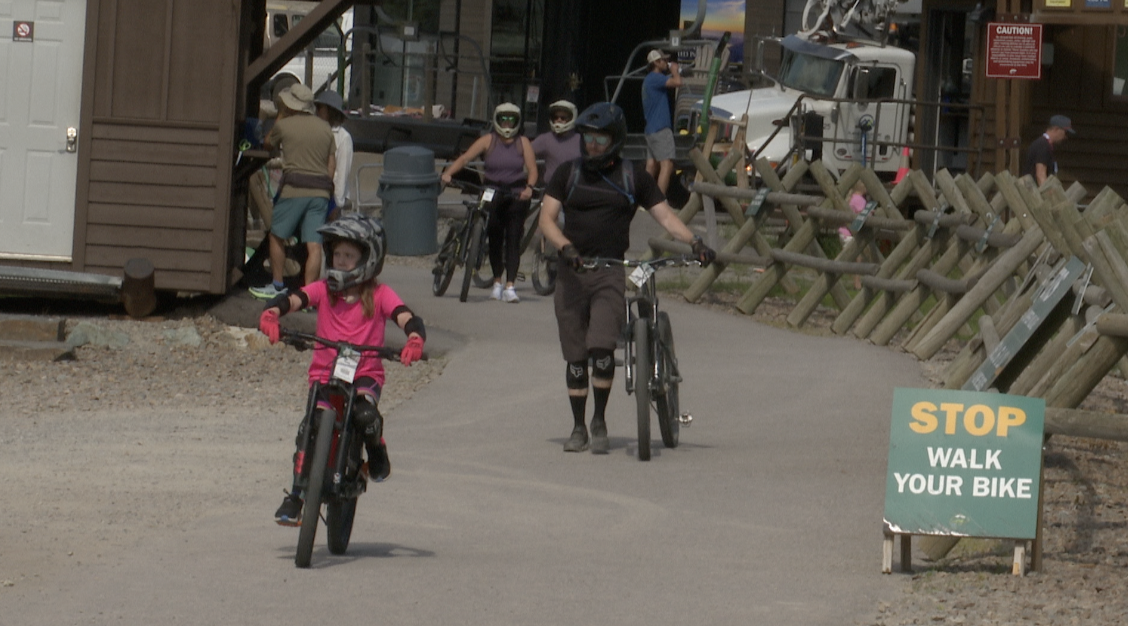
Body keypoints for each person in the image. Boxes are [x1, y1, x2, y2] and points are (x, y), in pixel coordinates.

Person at [538, 102, 715, 454]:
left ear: (615, 140)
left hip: (608, 273)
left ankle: (599, 420)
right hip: (572, 273)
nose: (592, 145)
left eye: (600, 138)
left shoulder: (634, 176)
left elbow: (666, 217)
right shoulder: (567, 174)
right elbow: (546, 218)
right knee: (575, 357)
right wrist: (564, 246)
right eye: (587, 138)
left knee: (602, 349)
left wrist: (694, 242)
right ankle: (577, 426)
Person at [259, 214, 426, 525]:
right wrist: (272, 312)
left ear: (367, 259)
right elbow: (297, 297)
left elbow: (405, 315)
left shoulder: (379, 294)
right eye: (337, 254)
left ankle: (376, 452)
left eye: (349, 256)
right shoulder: (325, 289)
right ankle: (296, 495)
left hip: (365, 372)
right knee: (308, 428)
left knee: (365, 415)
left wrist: (414, 337)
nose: (341, 261)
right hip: (325, 372)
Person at [441, 103, 537, 303]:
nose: (507, 124)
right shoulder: (488, 140)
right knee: (494, 233)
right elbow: (466, 158)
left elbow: (532, 169)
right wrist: (448, 173)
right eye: (504, 119)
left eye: (511, 120)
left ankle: (510, 286)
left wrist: (529, 188)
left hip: (516, 193)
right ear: (497, 120)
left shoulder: (523, 142)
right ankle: (497, 282)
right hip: (491, 190)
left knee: (513, 237)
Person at [250, 84, 336, 299]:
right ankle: (308, 295)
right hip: (320, 191)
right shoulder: (325, 128)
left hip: (294, 189)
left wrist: (280, 115)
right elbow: (331, 163)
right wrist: (326, 184)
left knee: (277, 236)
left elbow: (268, 144)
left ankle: (277, 285)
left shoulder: (285, 125)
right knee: (314, 245)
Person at [641, 49, 683, 195]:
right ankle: (660, 202)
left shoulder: (648, 80)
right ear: (656, 63)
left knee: (651, 165)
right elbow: (678, 82)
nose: (666, 63)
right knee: (667, 165)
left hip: (651, 129)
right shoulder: (656, 78)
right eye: (663, 60)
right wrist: (675, 70)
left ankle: (644, 200)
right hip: (661, 128)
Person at [314, 90, 354, 219]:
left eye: (320, 107)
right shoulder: (316, 131)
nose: (317, 111)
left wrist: (337, 205)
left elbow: (342, 173)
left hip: (332, 199)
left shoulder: (343, 137)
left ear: (329, 110)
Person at [531, 100, 581, 185]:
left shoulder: (581, 140)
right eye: (555, 117)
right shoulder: (545, 139)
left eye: (563, 118)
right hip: (551, 189)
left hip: (574, 189)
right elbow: (523, 152)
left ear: (572, 118)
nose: (559, 120)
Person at [1023, 114, 1075, 187]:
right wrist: (1047, 195)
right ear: (1056, 129)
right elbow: (1040, 175)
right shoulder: (1042, 145)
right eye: (1065, 132)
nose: (1065, 137)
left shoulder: (1045, 145)